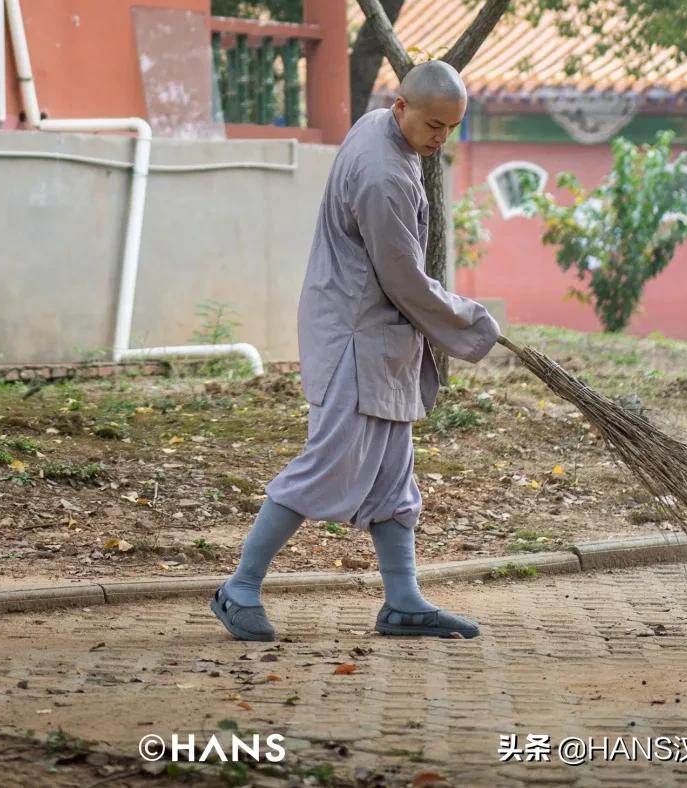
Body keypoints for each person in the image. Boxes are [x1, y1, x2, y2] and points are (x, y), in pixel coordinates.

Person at [210, 60, 501, 644]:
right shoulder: (383, 175)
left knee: (394, 477)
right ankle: (238, 587)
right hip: (352, 336)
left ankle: (403, 601)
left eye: (451, 127)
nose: (440, 138)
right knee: (327, 465)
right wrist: (469, 321)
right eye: (433, 124)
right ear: (401, 108)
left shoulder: (381, 129)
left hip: (379, 337)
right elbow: (405, 279)